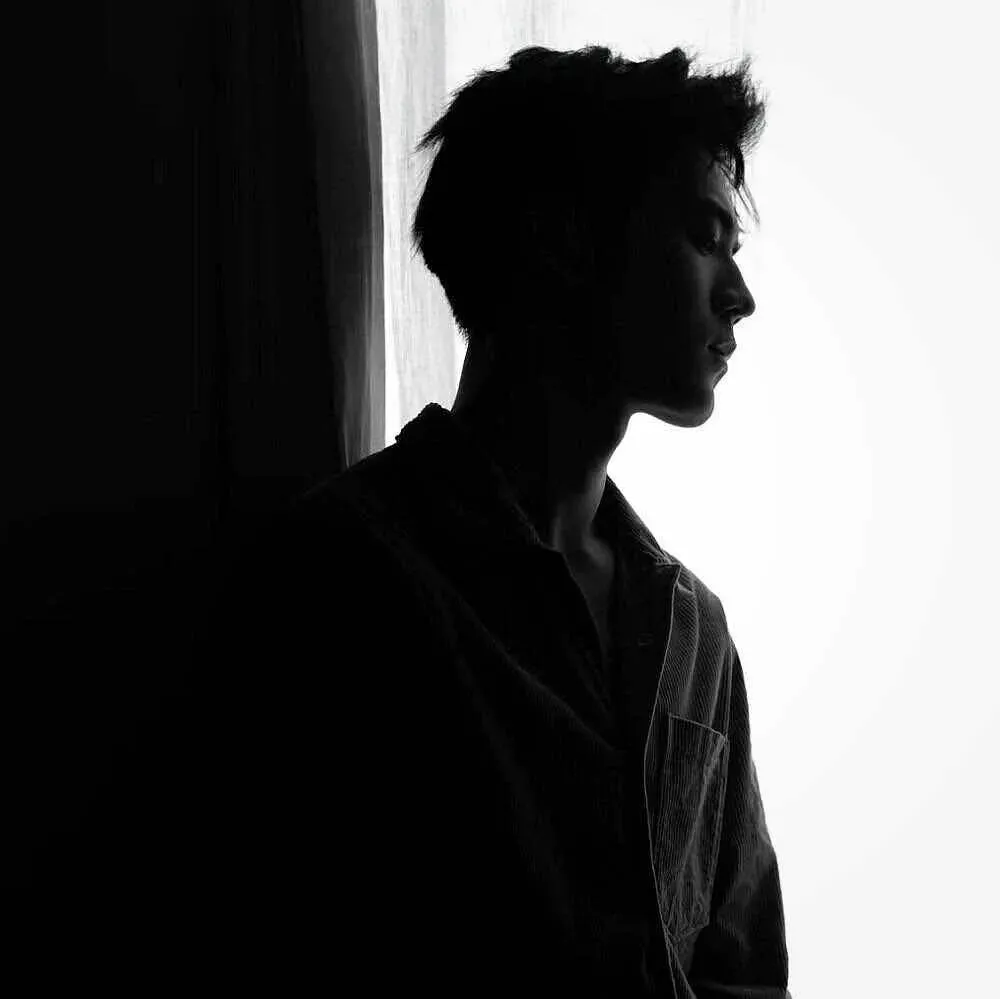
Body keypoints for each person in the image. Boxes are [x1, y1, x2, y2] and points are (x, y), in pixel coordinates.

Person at [29, 44, 790, 997]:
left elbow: (741, 962)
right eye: (705, 235)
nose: (739, 295)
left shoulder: (694, 633)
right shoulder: (341, 577)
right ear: (561, 235)